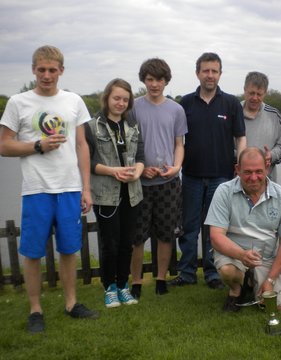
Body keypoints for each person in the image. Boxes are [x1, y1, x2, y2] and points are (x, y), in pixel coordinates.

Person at [0, 45, 99, 333]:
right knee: (32, 252)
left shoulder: (74, 101)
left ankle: (71, 304)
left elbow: (82, 146)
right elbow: (4, 145)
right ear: (33, 70)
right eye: (41, 69)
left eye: (52, 70)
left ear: (61, 71)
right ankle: (35, 310)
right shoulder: (18, 102)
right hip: (36, 189)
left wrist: (86, 189)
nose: (46, 75)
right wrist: (37, 146)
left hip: (69, 188)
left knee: (69, 249)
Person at [168, 52, 246, 289]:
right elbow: (178, 140)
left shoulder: (231, 103)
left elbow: (240, 138)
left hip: (222, 177)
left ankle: (214, 273)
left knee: (216, 228)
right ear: (197, 73)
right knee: (189, 227)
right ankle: (187, 272)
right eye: (205, 70)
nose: (210, 75)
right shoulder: (186, 103)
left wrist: (241, 165)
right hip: (191, 175)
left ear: (220, 74)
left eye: (214, 71)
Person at [206, 147, 281, 312]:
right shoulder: (224, 191)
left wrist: (270, 281)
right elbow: (216, 236)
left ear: (267, 167)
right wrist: (242, 255)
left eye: (259, 171)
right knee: (228, 271)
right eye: (247, 172)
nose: (253, 178)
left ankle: (253, 281)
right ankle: (236, 289)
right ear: (237, 170)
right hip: (234, 255)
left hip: (265, 258)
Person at [129, 58, 187, 299]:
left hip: (168, 182)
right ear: (143, 80)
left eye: (159, 80)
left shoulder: (176, 109)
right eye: (150, 79)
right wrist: (139, 169)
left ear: (166, 81)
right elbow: (127, 145)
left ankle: (161, 278)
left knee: (165, 235)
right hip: (138, 182)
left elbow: (179, 144)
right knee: (137, 237)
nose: (154, 84)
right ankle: (137, 282)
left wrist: (176, 168)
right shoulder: (132, 107)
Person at [84, 79, 144, 308]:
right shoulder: (91, 126)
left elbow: (141, 155)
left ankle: (123, 286)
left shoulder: (133, 124)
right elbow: (87, 162)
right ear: (107, 98)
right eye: (116, 98)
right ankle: (109, 288)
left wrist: (137, 172)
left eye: (125, 99)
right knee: (110, 243)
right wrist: (112, 171)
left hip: (132, 193)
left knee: (126, 243)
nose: (120, 103)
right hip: (105, 194)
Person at [242, 71, 281, 182]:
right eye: (251, 93)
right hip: (237, 180)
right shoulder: (233, 112)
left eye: (259, 94)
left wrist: (270, 156)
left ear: (265, 93)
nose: (255, 98)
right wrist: (245, 158)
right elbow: (223, 147)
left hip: (267, 181)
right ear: (244, 90)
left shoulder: (274, 115)